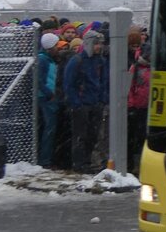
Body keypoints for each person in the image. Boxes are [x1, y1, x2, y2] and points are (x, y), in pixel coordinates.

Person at [63, 29, 110, 173]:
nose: (99, 47)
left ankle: (88, 162)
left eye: (101, 44)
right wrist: (77, 103)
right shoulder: (77, 61)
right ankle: (79, 164)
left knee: (93, 136)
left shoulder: (101, 62)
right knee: (80, 136)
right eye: (96, 44)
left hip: (95, 104)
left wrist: (102, 100)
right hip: (82, 105)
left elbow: (103, 82)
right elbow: (69, 84)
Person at [36, 32, 61, 166]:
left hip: (47, 96)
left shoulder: (47, 59)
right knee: (49, 128)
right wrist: (49, 93)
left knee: (49, 128)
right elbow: (40, 81)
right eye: (56, 45)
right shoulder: (43, 60)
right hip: (46, 98)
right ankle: (45, 159)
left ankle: (46, 157)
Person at [127, 41, 152, 172]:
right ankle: (134, 165)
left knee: (144, 137)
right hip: (137, 108)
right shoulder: (135, 68)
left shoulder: (154, 67)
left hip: (149, 108)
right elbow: (129, 88)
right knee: (136, 137)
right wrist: (131, 106)